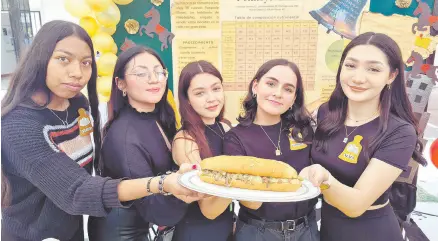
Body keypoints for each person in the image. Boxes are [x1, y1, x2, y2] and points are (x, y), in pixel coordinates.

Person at [1, 20, 199, 241]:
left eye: (86, 62)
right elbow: (77, 190)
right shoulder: (17, 126)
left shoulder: (77, 104)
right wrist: (162, 184)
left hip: (72, 231)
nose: (77, 72)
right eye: (63, 59)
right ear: (39, 57)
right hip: (30, 236)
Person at [300, 32, 427, 241]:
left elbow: (355, 205)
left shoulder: (399, 132)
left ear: (392, 76)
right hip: (328, 229)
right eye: (350, 65)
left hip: (372, 232)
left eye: (373, 69)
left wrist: (324, 178)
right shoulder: (327, 113)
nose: (358, 78)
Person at [88, 46, 201, 241]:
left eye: (159, 72)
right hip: (122, 234)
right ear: (121, 84)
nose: (154, 79)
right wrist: (199, 190)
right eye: (141, 73)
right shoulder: (124, 137)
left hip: (146, 226)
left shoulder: (159, 115)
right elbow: (157, 211)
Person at [223, 59, 320, 241]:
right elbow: (247, 199)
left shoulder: (304, 130)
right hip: (257, 231)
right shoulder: (235, 138)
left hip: (307, 229)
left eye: (288, 89)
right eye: (271, 83)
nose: (278, 93)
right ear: (255, 86)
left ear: (294, 99)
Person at [172, 61, 234, 241]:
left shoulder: (225, 127)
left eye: (216, 89)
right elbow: (209, 209)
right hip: (197, 232)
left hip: (226, 228)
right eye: (200, 93)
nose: (212, 98)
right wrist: (241, 183)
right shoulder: (185, 140)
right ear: (187, 99)